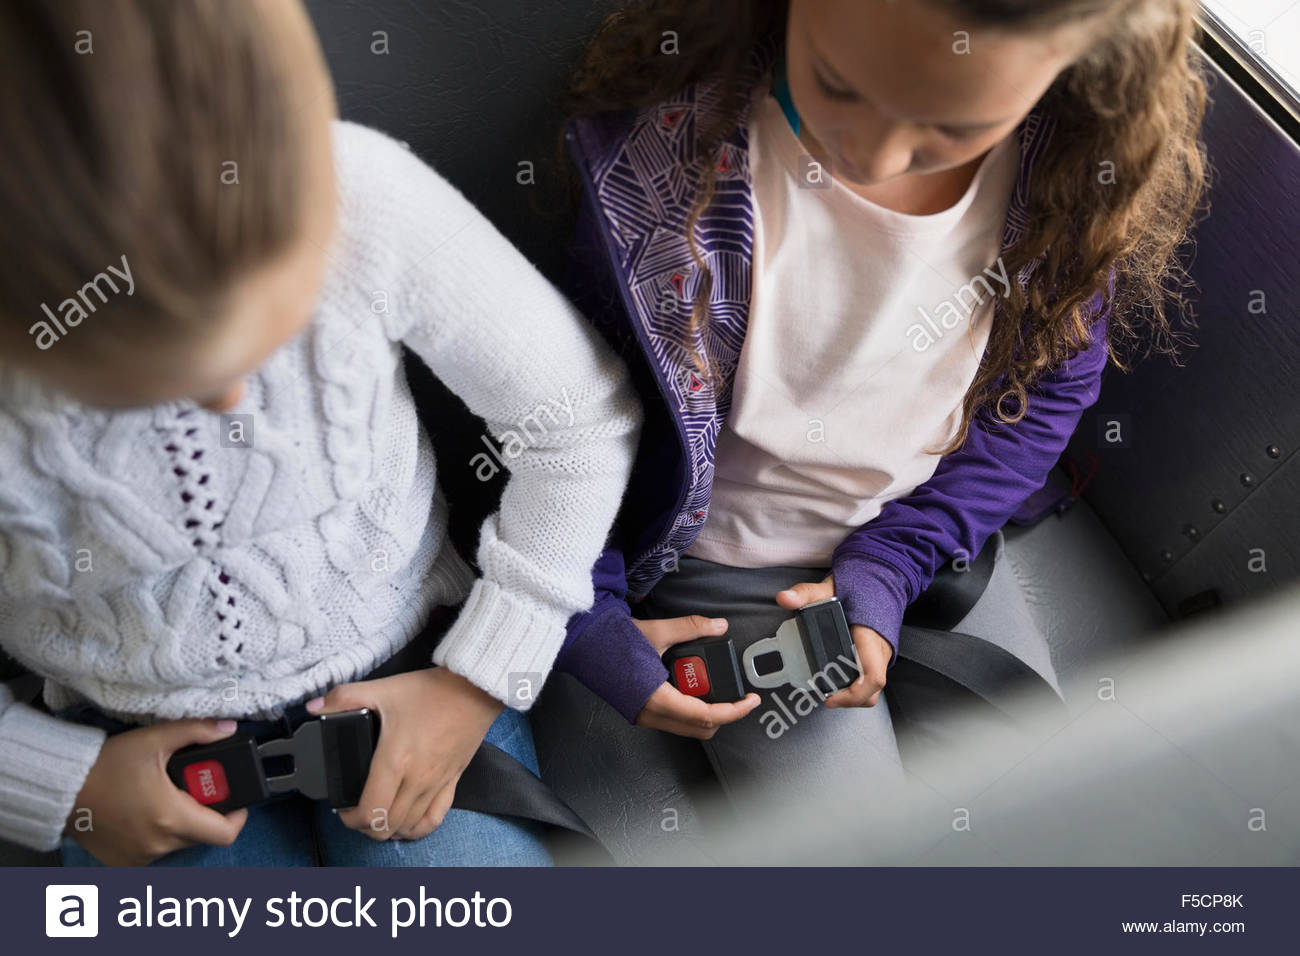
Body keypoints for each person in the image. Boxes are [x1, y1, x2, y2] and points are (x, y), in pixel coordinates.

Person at [0, 0, 641, 866]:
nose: (230, 405)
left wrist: (481, 675)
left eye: (272, 333)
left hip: (415, 676)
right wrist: (57, 781)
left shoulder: (361, 194)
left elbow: (578, 422)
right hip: (124, 749)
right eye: (153, 385)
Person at [552, 0, 1206, 817]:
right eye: (837, 84)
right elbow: (555, 415)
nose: (872, 153)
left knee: (1053, 812)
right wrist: (584, 605)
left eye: (954, 126)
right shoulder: (664, 170)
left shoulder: (1066, 179)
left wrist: (897, 559)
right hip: (733, 557)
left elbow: (1046, 394)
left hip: (921, 524)